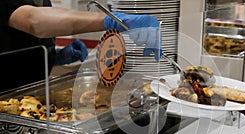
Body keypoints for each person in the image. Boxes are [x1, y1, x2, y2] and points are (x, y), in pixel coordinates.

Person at [0, 0, 161, 90]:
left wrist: (53, 56)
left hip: (29, 94)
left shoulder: (42, 1)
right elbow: (33, 20)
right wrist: (110, 21)